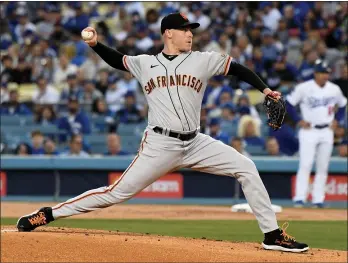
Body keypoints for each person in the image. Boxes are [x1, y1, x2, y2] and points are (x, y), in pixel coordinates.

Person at [17, 13, 308, 253]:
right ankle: (49, 213)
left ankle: (271, 235)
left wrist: (265, 89)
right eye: (184, 30)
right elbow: (118, 60)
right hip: (159, 143)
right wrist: (95, 44)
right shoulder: (146, 63)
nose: (190, 34)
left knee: (246, 167)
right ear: (168, 33)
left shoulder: (202, 59)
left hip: (196, 142)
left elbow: (238, 69)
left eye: (191, 30)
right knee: (115, 193)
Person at [286, 60, 347, 208]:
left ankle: (318, 199)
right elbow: (288, 103)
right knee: (305, 164)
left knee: (322, 167)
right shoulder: (304, 88)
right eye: (322, 73)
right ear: (315, 73)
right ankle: (299, 198)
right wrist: (298, 120)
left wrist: (337, 120)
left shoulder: (334, 89)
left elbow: (343, 104)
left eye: (327, 73)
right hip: (309, 130)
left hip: (327, 130)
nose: (325, 76)